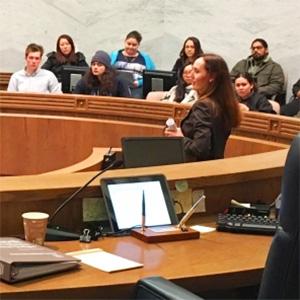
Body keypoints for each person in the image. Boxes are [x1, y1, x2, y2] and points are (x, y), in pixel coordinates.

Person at [165, 53, 241, 162]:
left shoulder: (203, 106)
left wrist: (180, 137)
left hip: (196, 169)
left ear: (212, 77)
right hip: (216, 166)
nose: (191, 76)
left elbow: (200, 148)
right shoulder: (223, 103)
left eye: (196, 71)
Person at [110, 30, 155, 99]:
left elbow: (151, 76)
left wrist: (139, 83)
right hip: (116, 86)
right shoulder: (114, 55)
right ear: (125, 42)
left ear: (138, 45)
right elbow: (107, 70)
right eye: (129, 44)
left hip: (136, 88)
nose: (131, 47)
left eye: (134, 45)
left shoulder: (146, 58)